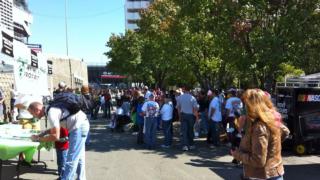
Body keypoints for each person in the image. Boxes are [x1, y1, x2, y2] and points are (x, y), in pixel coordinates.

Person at [231, 89, 289, 180]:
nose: (245, 106)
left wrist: (237, 155)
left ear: (252, 105)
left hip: (263, 175)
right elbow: (285, 132)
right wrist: (271, 146)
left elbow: (258, 161)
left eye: (246, 103)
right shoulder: (271, 118)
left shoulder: (259, 126)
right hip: (275, 173)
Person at [28, 100, 90, 180]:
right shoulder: (51, 109)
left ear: (37, 110)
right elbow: (57, 128)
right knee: (79, 157)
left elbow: (55, 136)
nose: (33, 116)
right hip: (81, 124)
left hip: (78, 127)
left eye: (32, 113)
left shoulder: (51, 112)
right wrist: (42, 134)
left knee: (72, 159)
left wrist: (38, 139)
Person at [176, 86, 199, 151]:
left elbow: (178, 108)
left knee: (184, 131)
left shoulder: (180, 98)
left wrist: (179, 116)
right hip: (191, 116)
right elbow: (195, 109)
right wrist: (196, 118)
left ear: (184, 90)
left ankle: (185, 145)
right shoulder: (193, 98)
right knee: (190, 130)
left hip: (183, 115)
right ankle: (191, 144)